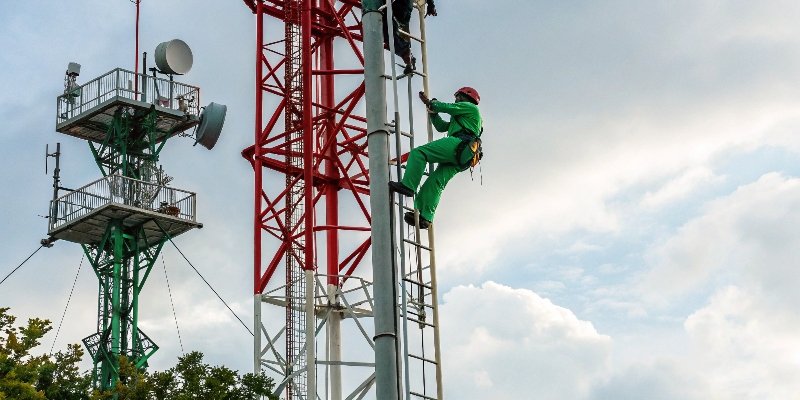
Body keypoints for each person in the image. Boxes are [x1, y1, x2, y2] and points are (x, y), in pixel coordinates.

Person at [389, 87, 483, 229]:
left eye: (458, 96)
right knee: (436, 181)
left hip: (460, 143)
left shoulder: (470, 108)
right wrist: (433, 114)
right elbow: (441, 127)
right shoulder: (463, 116)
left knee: (419, 153)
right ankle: (426, 217)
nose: (456, 99)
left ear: (467, 97)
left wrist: (433, 103)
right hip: (465, 156)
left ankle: (408, 185)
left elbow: (447, 107)